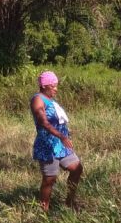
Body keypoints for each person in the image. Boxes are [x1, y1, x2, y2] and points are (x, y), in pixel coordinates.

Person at [31, 70, 83, 211]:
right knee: (50, 179)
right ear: (44, 86)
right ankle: (44, 210)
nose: (56, 89)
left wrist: (64, 134)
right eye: (53, 86)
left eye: (56, 85)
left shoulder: (51, 100)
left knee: (77, 168)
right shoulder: (38, 99)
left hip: (60, 145)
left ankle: (70, 201)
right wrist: (61, 136)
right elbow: (43, 122)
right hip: (48, 145)